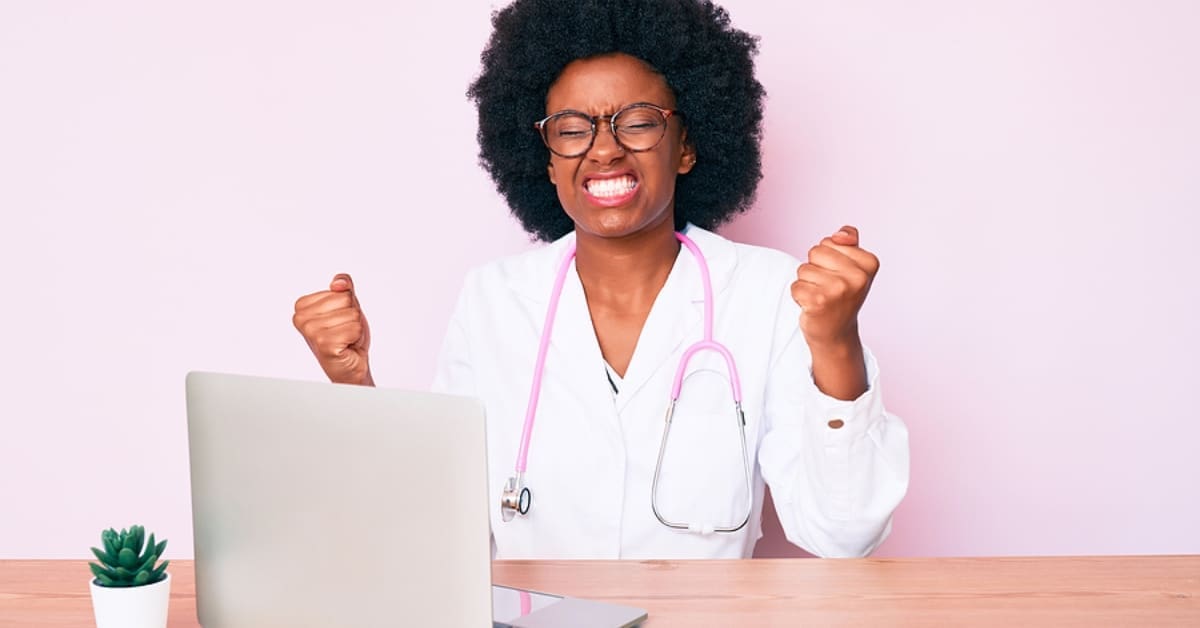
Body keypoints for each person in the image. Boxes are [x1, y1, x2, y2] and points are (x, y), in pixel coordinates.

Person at [292, 0, 909, 559]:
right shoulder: (494, 300)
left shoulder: (770, 292)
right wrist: (354, 384)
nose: (605, 150)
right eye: (571, 128)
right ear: (548, 161)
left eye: (637, 122)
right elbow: (434, 534)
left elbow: (843, 533)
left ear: (686, 147)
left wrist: (835, 344)